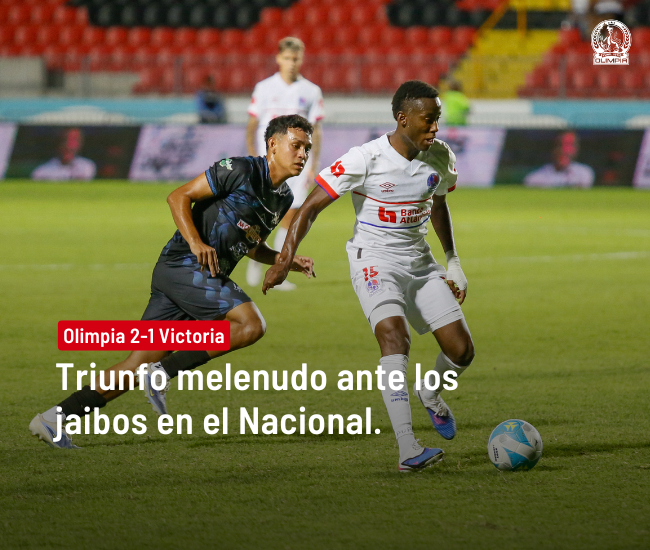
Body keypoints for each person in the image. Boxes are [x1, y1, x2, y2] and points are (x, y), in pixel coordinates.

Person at [29, 115, 316, 449]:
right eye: (296, 145)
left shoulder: (282, 198)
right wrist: (196, 243)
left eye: (307, 148)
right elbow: (179, 196)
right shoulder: (240, 169)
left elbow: (250, 243)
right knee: (251, 325)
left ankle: (53, 418)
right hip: (185, 266)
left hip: (190, 277)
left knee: (137, 364)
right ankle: (164, 372)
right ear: (273, 144)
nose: (303, 154)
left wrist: (285, 260)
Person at [263, 81, 475, 472]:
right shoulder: (365, 158)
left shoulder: (441, 155)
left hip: (420, 263)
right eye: (428, 120)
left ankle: (430, 393)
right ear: (403, 118)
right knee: (395, 339)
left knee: (462, 351)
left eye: (437, 120)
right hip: (373, 261)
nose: (435, 128)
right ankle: (408, 448)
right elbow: (309, 208)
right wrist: (283, 259)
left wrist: (453, 261)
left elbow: (438, 205)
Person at [245, 36, 324, 291]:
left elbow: (316, 131)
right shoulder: (264, 88)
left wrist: (313, 164)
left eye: (296, 58)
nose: (292, 63)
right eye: (288, 58)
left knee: (290, 214)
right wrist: (253, 158)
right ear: (279, 58)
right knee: (262, 213)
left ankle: (277, 267)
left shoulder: (311, 91)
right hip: (267, 163)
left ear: (302, 59)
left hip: (298, 164)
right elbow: (252, 126)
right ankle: (256, 255)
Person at [524, 131, 595, 187]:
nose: (564, 150)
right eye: (560, 145)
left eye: (568, 145)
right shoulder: (535, 179)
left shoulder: (585, 173)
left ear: (576, 149)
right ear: (552, 148)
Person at [31, 127, 96, 181]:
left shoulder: (88, 166)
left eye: (74, 140)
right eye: (65, 140)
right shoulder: (41, 172)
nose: (69, 145)